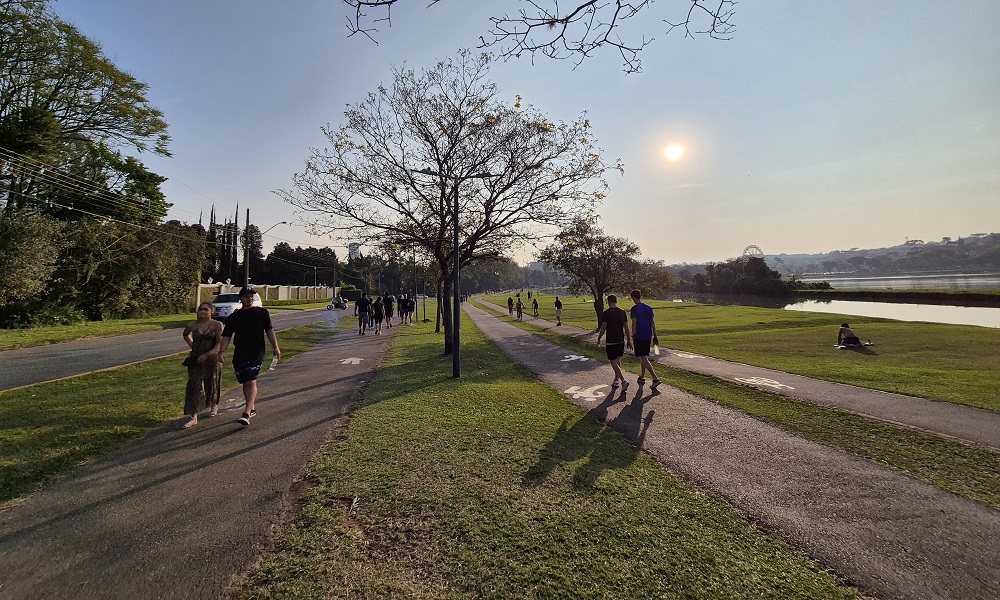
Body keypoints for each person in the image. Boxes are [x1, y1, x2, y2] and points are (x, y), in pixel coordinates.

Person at [219, 287, 281, 427]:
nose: (249, 298)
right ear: (241, 299)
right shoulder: (234, 316)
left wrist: (275, 347)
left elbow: (269, 330)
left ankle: (246, 413)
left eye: (251, 296)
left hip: (256, 352)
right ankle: (251, 406)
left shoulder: (262, 313)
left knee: (250, 381)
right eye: (246, 296)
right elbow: (227, 336)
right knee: (245, 380)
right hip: (240, 353)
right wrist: (222, 351)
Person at [180, 302, 224, 428]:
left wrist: (208, 354)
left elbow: (218, 344)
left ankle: (213, 404)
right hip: (195, 359)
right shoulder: (192, 325)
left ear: (212, 312)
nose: (202, 311)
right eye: (200, 309)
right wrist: (193, 346)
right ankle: (193, 415)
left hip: (212, 358)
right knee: (194, 384)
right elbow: (185, 334)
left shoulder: (217, 325)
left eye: (206, 309)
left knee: (212, 381)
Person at [596, 294, 632, 392]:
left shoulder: (606, 313)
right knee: (617, 360)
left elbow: (603, 327)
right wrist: (628, 339)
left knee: (613, 362)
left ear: (608, 302)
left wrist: (599, 338)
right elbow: (626, 327)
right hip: (620, 340)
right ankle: (616, 380)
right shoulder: (622, 312)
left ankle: (623, 380)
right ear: (616, 301)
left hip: (611, 340)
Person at [629, 289, 661, 389]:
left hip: (639, 336)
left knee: (644, 358)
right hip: (648, 335)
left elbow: (634, 324)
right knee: (643, 357)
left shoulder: (634, 309)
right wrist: (655, 335)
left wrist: (633, 335)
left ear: (633, 297)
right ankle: (642, 376)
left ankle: (655, 379)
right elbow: (652, 323)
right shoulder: (649, 308)